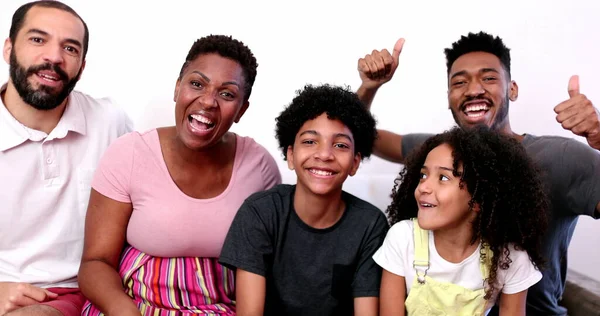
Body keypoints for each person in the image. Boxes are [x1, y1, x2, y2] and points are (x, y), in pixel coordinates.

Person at [356, 31, 600, 315]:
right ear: (449, 96)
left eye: (489, 78)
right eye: (459, 82)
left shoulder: (562, 158)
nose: (473, 89)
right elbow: (357, 137)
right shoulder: (438, 153)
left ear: (512, 89)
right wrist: (369, 87)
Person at [77, 34, 281, 316]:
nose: (208, 101)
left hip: (222, 309)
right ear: (177, 88)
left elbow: (268, 268)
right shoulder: (129, 154)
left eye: (227, 94)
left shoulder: (260, 168)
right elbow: (95, 263)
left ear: (241, 110)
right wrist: (125, 312)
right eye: (197, 84)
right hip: (133, 304)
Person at [0, 1, 132, 315]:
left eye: (70, 48)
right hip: (13, 292)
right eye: (37, 39)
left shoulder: (109, 121)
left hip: (87, 288)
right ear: (8, 49)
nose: (54, 57)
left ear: (82, 66)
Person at [219, 84, 389, 316]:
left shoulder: (370, 225)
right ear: (290, 155)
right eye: (310, 141)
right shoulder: (259, 213)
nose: (324, 154)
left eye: (340, 145)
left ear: (355, 163)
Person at [374, 126, 548, 315]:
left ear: (479, 199)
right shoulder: (403, 238)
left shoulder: (510, 257)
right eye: (423, 175)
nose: (424, 186)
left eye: (442, 177)